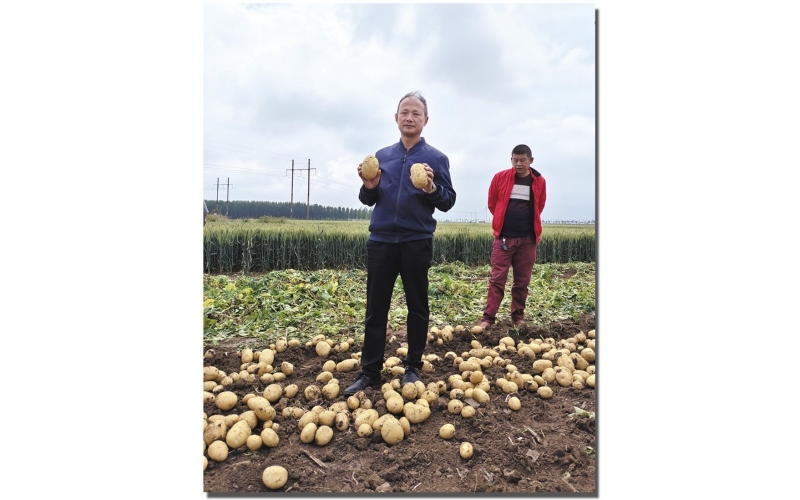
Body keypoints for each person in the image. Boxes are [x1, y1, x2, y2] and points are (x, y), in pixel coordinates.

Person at [343, 91, 456, 396]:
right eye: (404, 112)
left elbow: (447, 201)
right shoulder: (382, 156)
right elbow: (369, 199)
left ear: (425, 121)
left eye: (416, 113)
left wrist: (432, 186)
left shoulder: (436, 158)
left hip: (416, 241)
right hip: (381, 241)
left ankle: (413, 368)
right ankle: (369, 373)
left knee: (417, 308)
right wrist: (369, 185)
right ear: (396, 118)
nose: (409, 117)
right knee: (375, 309)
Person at [479, 144, 546, 329]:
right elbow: (492, 203)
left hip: (527, 240)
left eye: (522, 160)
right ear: (511, 160)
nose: (518, 164)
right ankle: (488, 318)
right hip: (504, 239)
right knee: (497, 279)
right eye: (515, 160)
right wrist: (503, 220)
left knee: (522, 281)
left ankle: (517, 317)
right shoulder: (500, 178)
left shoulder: (539, 181)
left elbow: (539, 206)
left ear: (530, 161)